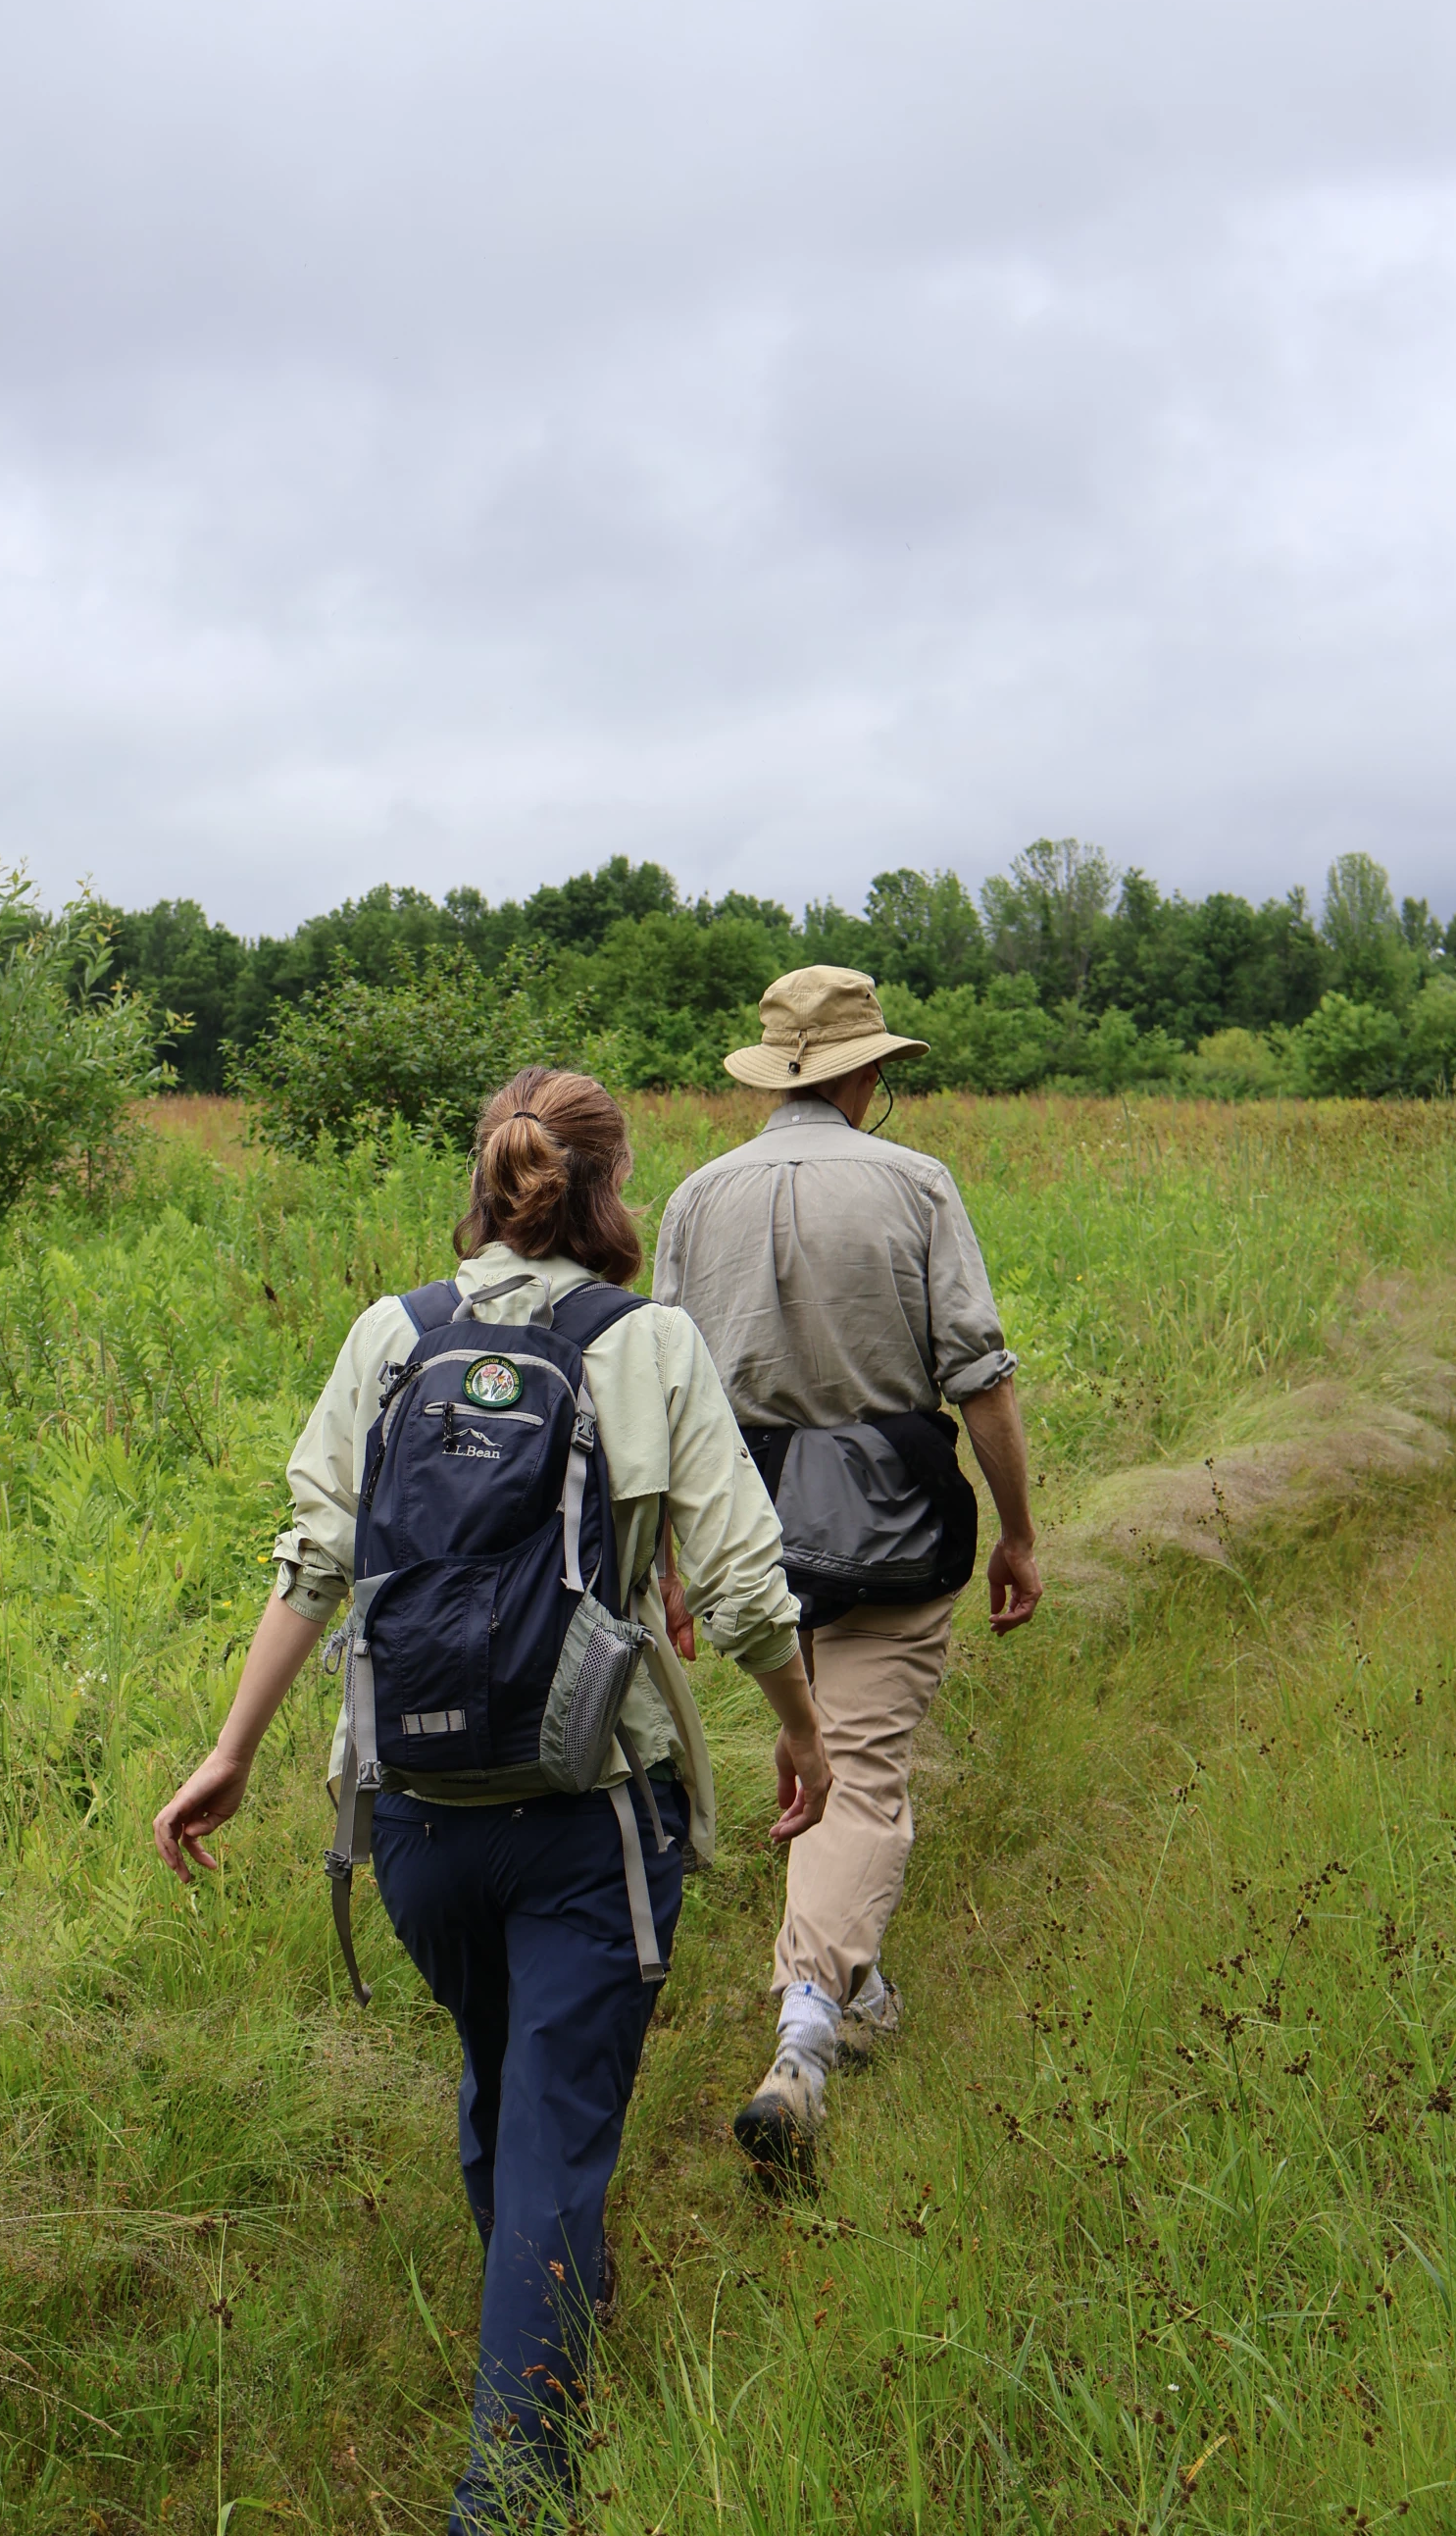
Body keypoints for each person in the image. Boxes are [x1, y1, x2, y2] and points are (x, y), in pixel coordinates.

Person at [153, 1065, 829, 2533]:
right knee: (553, 2128)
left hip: (411, 1819)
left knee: (503, 2076)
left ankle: (552, 2318)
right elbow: (740, 1583)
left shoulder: (391, 1338)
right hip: (593, 1815)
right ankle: (511, 2489)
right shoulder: (646, 1342)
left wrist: (232, 1750)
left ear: (490, 1178)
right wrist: (803, 1734)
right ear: (608, 1186)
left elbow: (310, 1558)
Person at [653, 966, 1043, 2181]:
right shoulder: (914, 1184)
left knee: (817, 1742)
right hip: (888, 1512)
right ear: (862, 1073)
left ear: (777, 1075)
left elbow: (660, 1400)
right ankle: (803, 2039)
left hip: (743, 1521)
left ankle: (857, 1985)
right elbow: (975, 1375)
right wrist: (1019, 1533)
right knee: (860, 1770)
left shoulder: (691, 1198)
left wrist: (669, 1564)